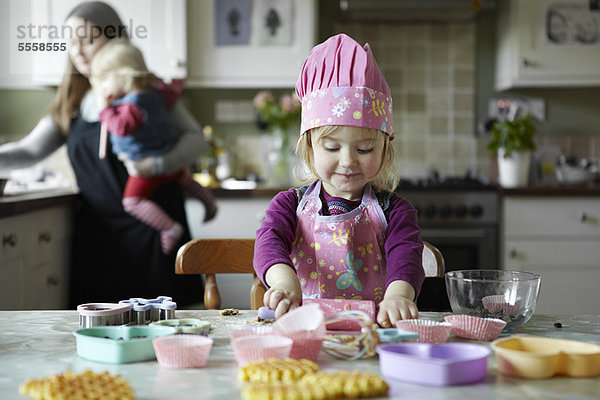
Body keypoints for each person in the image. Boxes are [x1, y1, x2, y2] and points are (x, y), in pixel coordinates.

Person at [0, 1, 204, 307]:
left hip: (154, 228)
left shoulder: (149, 90)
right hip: (100, 238)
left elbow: (195, 139)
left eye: (88, 39)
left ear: (116, 39)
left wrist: (157, 163)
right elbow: (30, 150)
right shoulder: (73, 99)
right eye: (71, 42)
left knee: (165, 332)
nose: (78, 51)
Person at [253, 33, 425, 327]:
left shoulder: (394, 211)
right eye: (332, 147)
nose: (347, 161)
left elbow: (406, 255)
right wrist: (283, 282)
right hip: (306, 330)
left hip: (371, 333)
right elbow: (268, 242)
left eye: (364, 149)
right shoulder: (288, 205)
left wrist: (398, 296)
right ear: (309, 147)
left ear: (386, 147)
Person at [90, 39, 217, 253]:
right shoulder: (156, 94)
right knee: (184, 178)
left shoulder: (131, 106)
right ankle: (208, 203)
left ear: (124, 76)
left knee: (131, 202)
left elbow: (121, 128)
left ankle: (169, 228)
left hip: (146, 169)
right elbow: (171, 95)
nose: (102, 86)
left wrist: (104, 108)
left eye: (104, 79)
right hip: (169, 156)